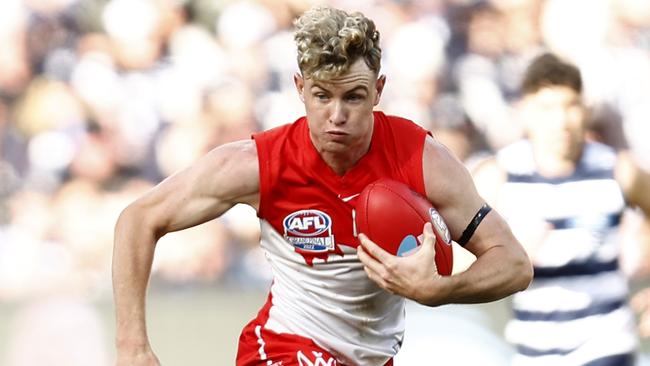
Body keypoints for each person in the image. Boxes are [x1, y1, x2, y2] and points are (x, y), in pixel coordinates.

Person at [112, 6, 532, 366]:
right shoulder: (258, 164)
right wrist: (132, 346)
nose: (336, 115)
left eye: (353, 96)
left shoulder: (421, 161)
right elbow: (139, 219)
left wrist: (441, 290)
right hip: (280, 348)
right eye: (321, 96)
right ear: (299, 89)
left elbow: (514, 264)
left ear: (378, 91)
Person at [473, 53, 650, 366]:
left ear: (584, 109)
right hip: (533, 352)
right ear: (525, 111)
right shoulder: (499, 176)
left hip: (606, 346)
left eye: (570, 106)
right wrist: (504, 257)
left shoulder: (617, 170)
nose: (561, 120)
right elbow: (458, 264)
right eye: (547, 108)